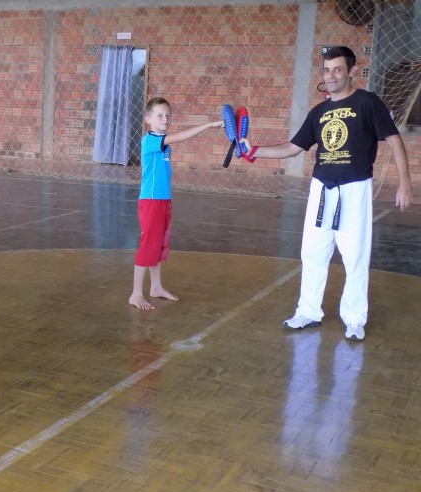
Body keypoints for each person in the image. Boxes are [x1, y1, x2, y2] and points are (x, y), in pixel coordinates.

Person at [240, 46, 414, 341]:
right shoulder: (319, 112)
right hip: (321, 190)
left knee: (354, 256)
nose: (331, 75)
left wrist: (405, 182)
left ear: (351, 72)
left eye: (337, 69)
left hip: (354, 189)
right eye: (327, 70)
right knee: (312, 252)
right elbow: (292, 148)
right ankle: (308, 311)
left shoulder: (367, 102)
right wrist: (254, 150)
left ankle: (354, 318)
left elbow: (394, 140)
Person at [129, 98, 223, 310]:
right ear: (148, 119)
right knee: (148, 244)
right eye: (160, 116)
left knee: (158, 244)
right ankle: (136, 294)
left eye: (168, 115)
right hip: (151, 201)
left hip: (163, 200)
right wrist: (209, 125)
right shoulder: (151, 141)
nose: (165, 119)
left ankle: (156, 287)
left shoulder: (163, 143)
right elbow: (180, 137)